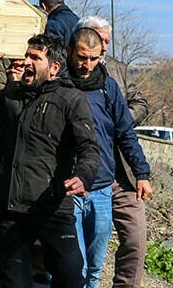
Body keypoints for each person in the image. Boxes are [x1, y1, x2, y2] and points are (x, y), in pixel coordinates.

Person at [0, 34, 101, 288]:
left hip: (53, 209)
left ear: (54, 68)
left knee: (70, 277)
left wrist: (83, 176)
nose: (26, 61)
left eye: (35, 57)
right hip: (12, 211)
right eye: (26, 55)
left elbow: (89, 148)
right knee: (15, 283)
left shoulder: (70, 100)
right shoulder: (12, 95)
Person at [65, 27, 152, 288]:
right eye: (82, 57)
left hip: (102, 185)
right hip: (68, 185)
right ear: (69, 52)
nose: (87, 65)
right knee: (72, 262)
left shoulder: (108, 86)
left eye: (93, 58)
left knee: (94, 264)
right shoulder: (59, 84)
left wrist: (141, 173)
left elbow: (125, 132)